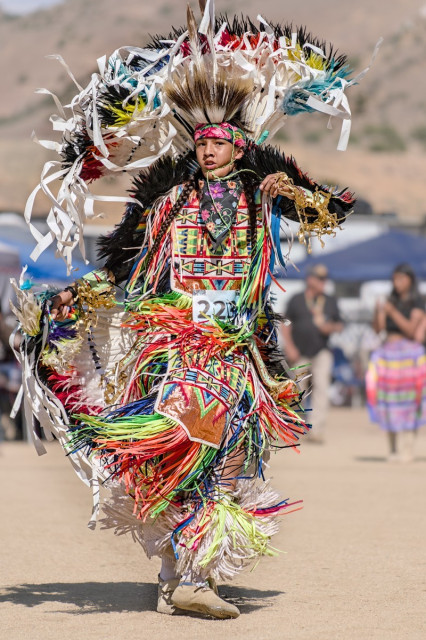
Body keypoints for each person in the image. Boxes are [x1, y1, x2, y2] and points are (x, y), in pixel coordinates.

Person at [12, 6, 358, 620]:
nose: (210, 153)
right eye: (201, 145)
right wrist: (70, 298)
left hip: (240, 348)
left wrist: (295, 194)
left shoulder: (263, 188)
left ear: (239, 144)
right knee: (187, 442)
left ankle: (180, 577)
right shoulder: (167, 198)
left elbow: (329, 212)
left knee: (225, 455)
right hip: (179, 342)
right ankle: (189, 575)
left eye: (220, 144)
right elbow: (123, 262)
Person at [366, 263, 426, 462]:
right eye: (395, 279)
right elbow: (379, 329)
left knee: (410, 401)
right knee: (388, 401)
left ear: (410, 280)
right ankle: (392, 448)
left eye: (401, 278)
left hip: (409, 356)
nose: (397, 283)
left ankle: (407, 448)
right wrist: (379, 312)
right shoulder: (390, 300)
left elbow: (410, 330)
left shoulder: (417, 301)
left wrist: (391, 311)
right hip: (388, 355)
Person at [281, 264, 343, 443]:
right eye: (319, 279)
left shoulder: (329, 301)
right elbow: (285, 323)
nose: (323, 283)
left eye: (324, 279)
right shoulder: (297, 299)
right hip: (299, 352)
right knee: (296, 391)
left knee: (321, 389)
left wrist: (329, 327)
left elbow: (339, 325)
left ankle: (316, 429)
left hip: (321, 351)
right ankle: (293, 426)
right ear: (310, 279)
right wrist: (290, 346)